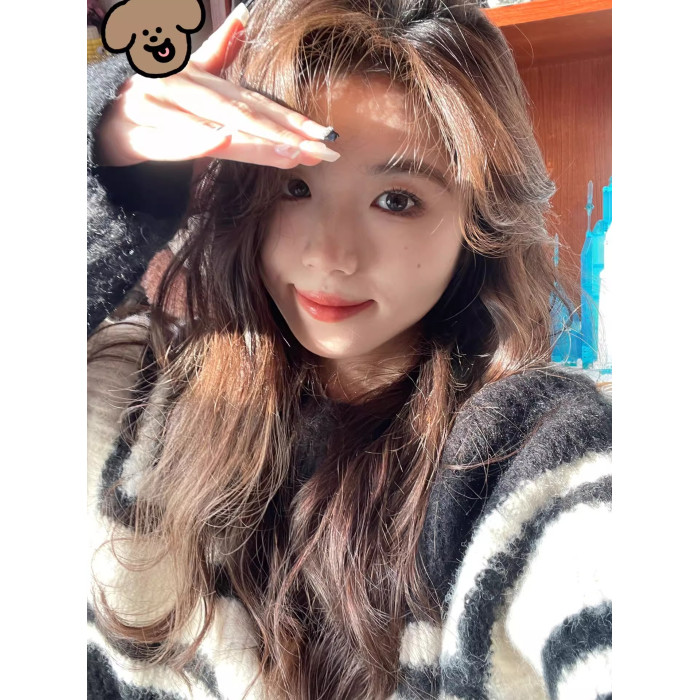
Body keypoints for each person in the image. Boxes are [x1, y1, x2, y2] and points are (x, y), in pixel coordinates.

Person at [87, 1, 612, 699]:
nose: (330, 256)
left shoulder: (525, 450)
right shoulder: (134, 392)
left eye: (397, 200)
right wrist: (96, 152)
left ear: (476, 222)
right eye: (295, 186)